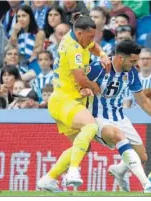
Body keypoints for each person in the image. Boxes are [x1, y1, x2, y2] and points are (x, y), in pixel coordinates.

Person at [85, 40, 151, 192]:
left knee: (142, 157)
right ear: (119, 58)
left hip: (119, 116)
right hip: (96, 117)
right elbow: (75, 81)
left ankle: (119, 170)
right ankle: (146, 184)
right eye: (132, 61)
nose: (136, 64)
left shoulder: (131, 73)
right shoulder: (97, 68)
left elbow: (143, 102)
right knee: (118, 136)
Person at [37, 13, 111, 191]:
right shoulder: (73, 48)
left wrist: (102, 54)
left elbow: (93, 46)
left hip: (65, 101)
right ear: (79, 33)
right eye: (90, 36)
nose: (92, 40)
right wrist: (99, 88)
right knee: (91, 126)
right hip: (64, 101)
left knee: (82, 148)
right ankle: (73, 171)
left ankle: (48, 179)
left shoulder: (79, 38)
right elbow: (80, 80)